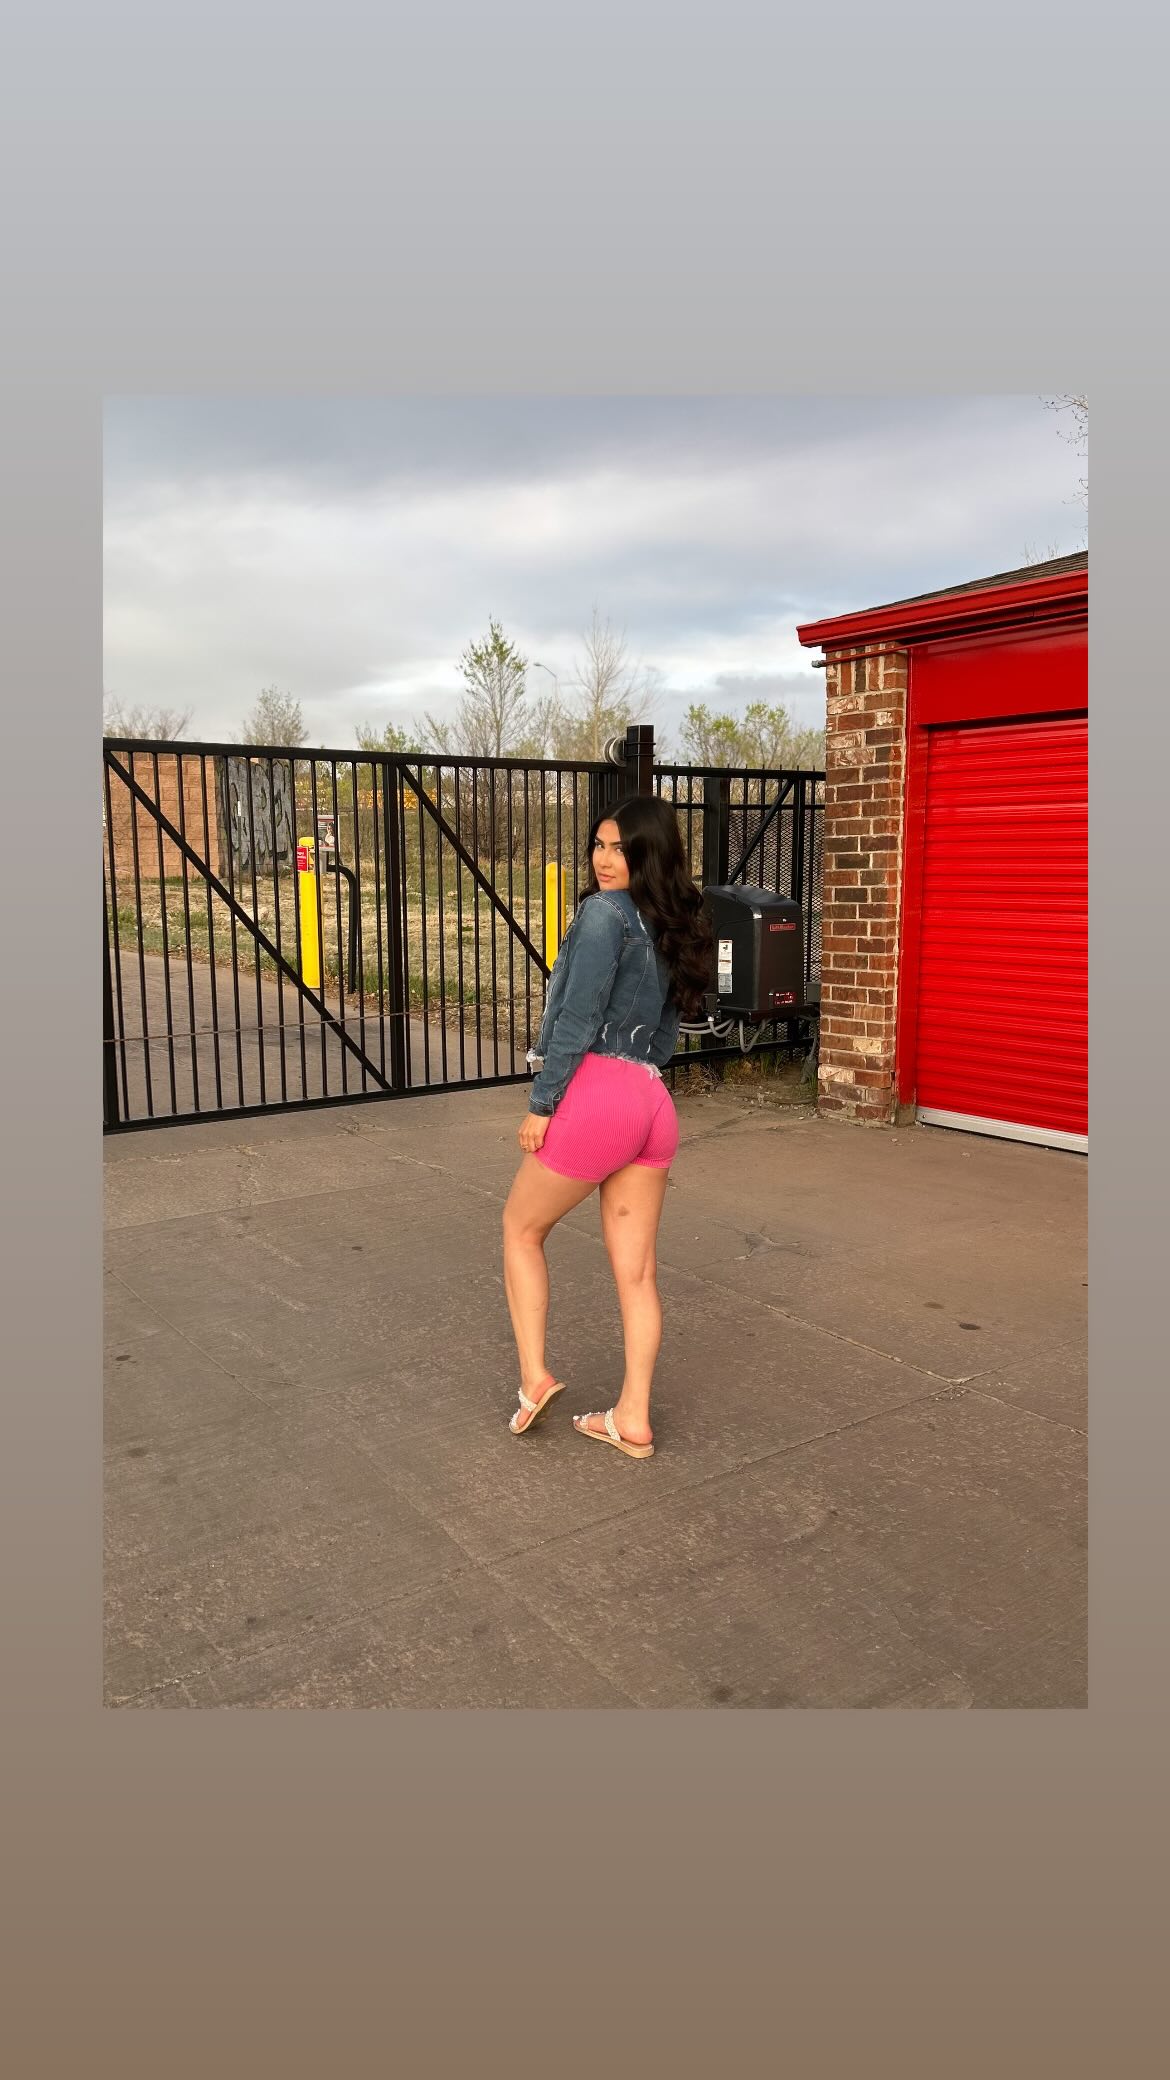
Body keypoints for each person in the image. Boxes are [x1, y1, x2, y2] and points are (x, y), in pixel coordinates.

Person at [502, 794, 713, 1457]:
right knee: (638, 1274)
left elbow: (577, 1017)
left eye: (620, 848)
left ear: (648, 853)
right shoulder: (676, 923)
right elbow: (666, 1035)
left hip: (598, 1095)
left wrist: (543, 1103)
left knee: (520, 1230)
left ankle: (534, 1379)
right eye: (599, 844)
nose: (603, 858)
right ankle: (632, 1418)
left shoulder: (603, 915)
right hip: (652, 1102)